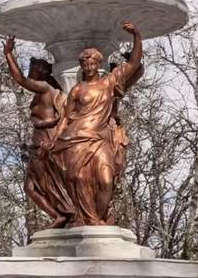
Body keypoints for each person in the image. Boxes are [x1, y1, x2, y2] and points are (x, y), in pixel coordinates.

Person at [52, 22, 143, 225]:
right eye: (85, 64)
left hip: (100, 140)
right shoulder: (76, 90)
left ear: (99, 64)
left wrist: (137, 35)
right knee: (81, 181)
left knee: (106, 180)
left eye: (92, 64)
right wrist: (56, 138)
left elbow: (134, 63)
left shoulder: (109, 82)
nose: (89, 67)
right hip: (76, 140)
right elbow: (66, 118)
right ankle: (91, 221)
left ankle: (100, 217)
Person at [4, 36, 73, 227]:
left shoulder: (44, 88)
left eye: (32, 70)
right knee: (32, 187)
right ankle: (59, 215)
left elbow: (19, 79)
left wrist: (8, 55)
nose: (29, 73)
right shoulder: (42, 92)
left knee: (41, 185)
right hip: (39, 142)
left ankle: (64, 214)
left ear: (40, 72)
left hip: (45, 142)